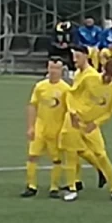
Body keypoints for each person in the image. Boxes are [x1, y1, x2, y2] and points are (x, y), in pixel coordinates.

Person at [61, 51, 112, 202]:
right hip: (74, 121)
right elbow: (71, 94)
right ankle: (72, 188)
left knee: (101, 154)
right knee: (71, 154)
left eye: (111, 76)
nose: (107, 79)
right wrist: (73, 113)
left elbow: (110, 111)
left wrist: (96, 123)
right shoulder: (89, 79)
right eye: (106, 75)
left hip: (91, 125)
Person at [24, 56, 70, 198]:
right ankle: (31, 186)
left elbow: (69, 111)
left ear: (62, 71)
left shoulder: (66, 89)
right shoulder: (40, 86)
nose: (53, 71)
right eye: (51, 68)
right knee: (32, 156)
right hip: (40, 127)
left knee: (56, 159)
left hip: (56, 129)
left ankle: (54, 187)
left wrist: (66, 130)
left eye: (56, 68)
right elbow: (33, 106)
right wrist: (30, 126)